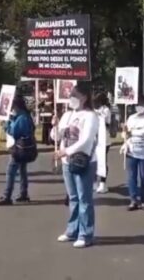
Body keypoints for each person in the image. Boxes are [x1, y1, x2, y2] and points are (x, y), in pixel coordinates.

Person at [51, 84, 99, 248]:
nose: (71, 98)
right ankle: (72, 230)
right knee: (73, 198)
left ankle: (85, 234)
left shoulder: (91, 116)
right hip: (67, 163)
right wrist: (55, 126)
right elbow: (55, 137)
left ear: (84, 97)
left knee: (84, 198)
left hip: (82, 161)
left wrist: (67, 151)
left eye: (75, 95)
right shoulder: (66, 115)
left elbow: (86, 140)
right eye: (70, 95)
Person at [0, 95, 36, 205]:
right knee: (22, 170)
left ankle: (7, 195)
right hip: (22, 148)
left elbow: (14, 132)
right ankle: (23, 193)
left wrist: (5, 126)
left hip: (19, 149)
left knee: (11, 171)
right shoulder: (22, 116)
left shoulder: (22, 118)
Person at [123, 95, 144, 211]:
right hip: (131, 152)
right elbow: (125, 134)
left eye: (142, 104)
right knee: (132, 177)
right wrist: (125, 134)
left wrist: (132, 131)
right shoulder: (131, 118)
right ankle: (133, 200)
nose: (139, 107)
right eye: (137, 105)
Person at [93, 92, 112, 194]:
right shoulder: (92, 110)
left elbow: (108, 123)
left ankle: (103, 184)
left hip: (104, 140)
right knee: (93, 161)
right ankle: (95, 182)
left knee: (102, 161)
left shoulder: (106, 110)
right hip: (94, 139)